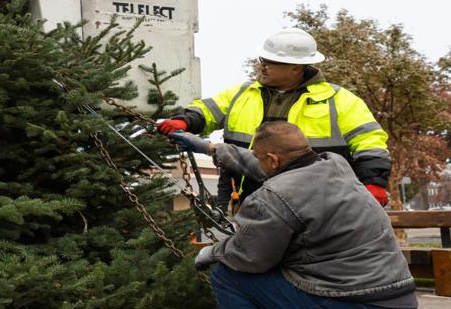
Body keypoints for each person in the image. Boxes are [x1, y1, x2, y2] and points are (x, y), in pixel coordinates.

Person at [180, 122, 431, 309]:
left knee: (227, 273)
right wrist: (210, 148)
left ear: (273, 159)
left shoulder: (271, 198)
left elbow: (250, 258)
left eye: (263, 158)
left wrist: (214, 251)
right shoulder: (335, 165)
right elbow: (269, 166)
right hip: (400, 308)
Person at [157, 28, 392, 213]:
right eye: (262, 60)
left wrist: (375, 182)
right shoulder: (242, 93)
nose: (262, 66)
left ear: (295, 68)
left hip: (318, 203)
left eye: (269, 62)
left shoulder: (339, 100)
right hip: (253, 198)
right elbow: (207, 110)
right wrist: (185, 121)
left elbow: (370, 141)